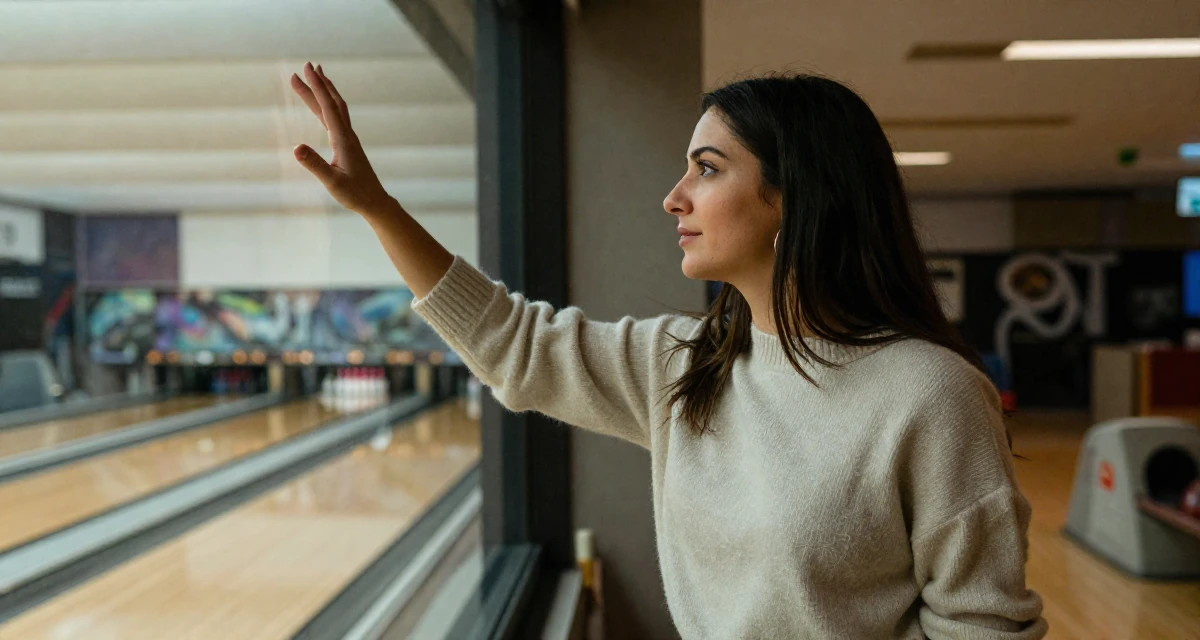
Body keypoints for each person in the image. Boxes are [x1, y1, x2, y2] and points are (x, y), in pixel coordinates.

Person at [289, 62, 1047, 639]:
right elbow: (513, 346)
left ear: (794, 196)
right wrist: (379, 211)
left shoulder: (930, 394)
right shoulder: (685, 365)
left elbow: (982, 628)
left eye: (708, 169)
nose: (673, 195)